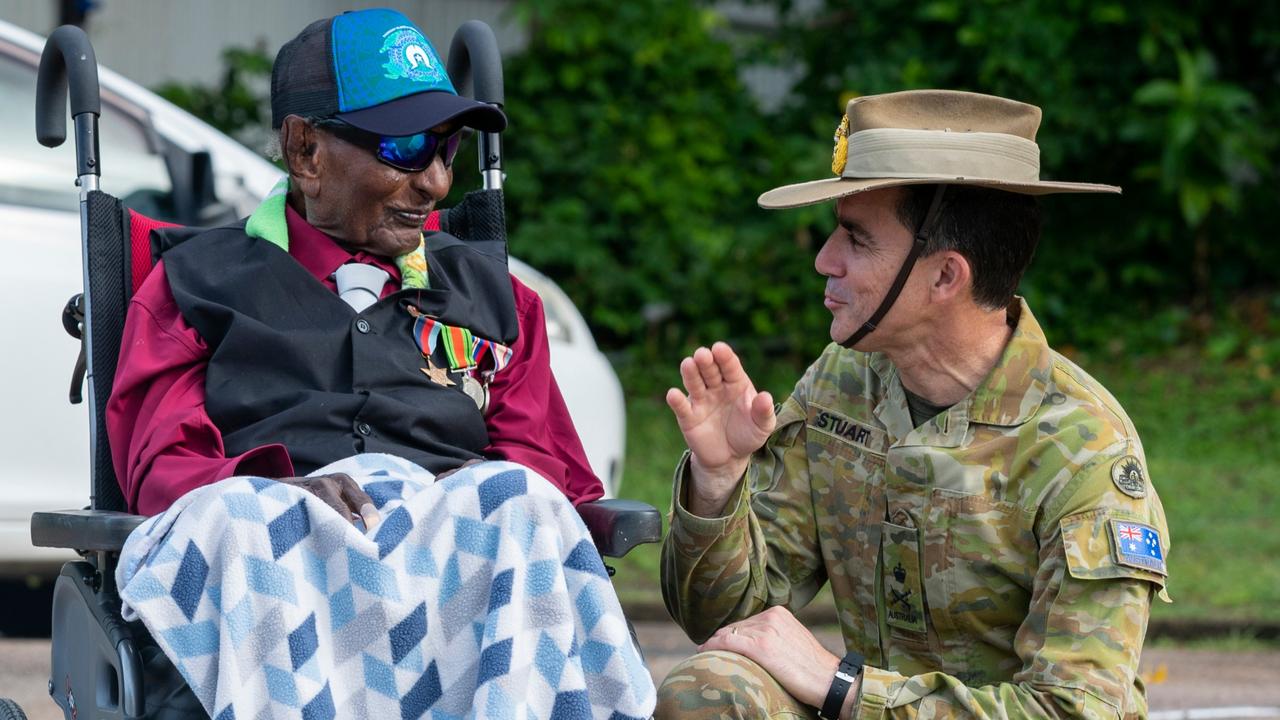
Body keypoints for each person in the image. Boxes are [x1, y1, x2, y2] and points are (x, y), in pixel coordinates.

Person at [106, 9, 654, 718]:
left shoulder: (499, 299)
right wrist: (285, 490)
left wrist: (467, 493)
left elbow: (550, 481)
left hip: (458, 591)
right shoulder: (193, 286)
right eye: (405, 146)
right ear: (306, 151)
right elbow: (164, 470)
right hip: (284, 569)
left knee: (515, 500)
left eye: (448, 149)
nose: (434, 183)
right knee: (242, 515)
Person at [656, 90, 1171, 719]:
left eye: (856, 238)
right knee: (711, 689)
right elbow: (729, 620)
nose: (825, 260)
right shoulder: (844, 382)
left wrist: (847, 688)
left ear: (946, 277)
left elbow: (1073, 711)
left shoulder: (1085, 451)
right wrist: (718, 485)